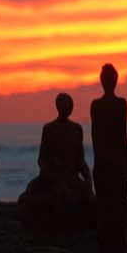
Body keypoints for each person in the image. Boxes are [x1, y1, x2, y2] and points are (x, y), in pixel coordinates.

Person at [18, 93, 95, 240]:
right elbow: (41, 159)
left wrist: (88, 179)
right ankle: (60, 232)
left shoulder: (76, 129)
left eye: (70, 105)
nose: (68, 108)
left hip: (71, 177)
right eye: (66, 105)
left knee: (89, 198)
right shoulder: (49, 129)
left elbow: (80, 160)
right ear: (59, 107)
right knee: (60, 195)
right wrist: (49, 173)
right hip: (53, 178)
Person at [91, 64, 127, 253]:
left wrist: (98, 160)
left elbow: (95, 138)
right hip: (116, 162)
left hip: (103, 162)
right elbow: (122, 137)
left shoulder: (95, 105)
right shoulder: (121, 104)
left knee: (103, 209)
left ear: (101, 81)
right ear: (115, 81)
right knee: (118, 210)